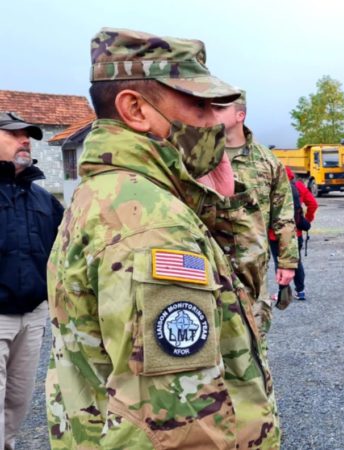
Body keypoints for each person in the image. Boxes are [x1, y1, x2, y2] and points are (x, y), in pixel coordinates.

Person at [46, 28, 280, 449]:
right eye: (198, 104)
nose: (214, 121)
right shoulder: (154, 227)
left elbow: (236, 304)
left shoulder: (112, 192)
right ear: (135, 109)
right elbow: (177, 427)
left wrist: (223, 202)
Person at [210, 91, 298, 337]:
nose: (212, 113)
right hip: (209, 262)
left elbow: (283, 215)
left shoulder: (267, 161)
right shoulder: (200, 157)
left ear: (240, 115)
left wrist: (287, 262)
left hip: (252, 266)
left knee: (255, 333)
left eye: (220, 109)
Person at [0, 112, 63, 449]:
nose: (25, 140)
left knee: (19, 400)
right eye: (14, 134)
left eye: (28, 136)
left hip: (34, 316)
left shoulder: (44, 200)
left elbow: (65, 252)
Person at [285, 166, 317, 300]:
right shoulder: (298, 186)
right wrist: (306, 221)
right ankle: (300, 290)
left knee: (281, 263)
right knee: (296, 262)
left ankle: (283, 294)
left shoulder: (272, 187)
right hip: (296, 233)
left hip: (276, 234)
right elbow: (313, 204)